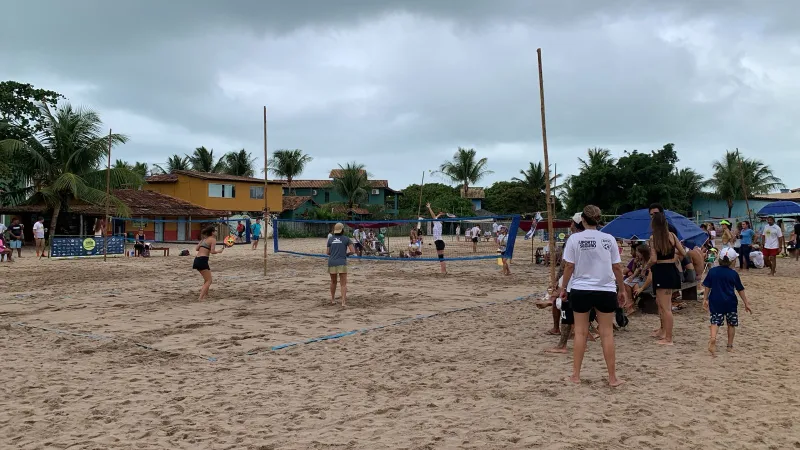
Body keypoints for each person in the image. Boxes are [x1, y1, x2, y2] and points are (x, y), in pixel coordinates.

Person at [560, 205, 626, 387]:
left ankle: (575, 375)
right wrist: (621, 289)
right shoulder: (609, 239)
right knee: (607, 334)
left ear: (582, 219)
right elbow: (617, 267)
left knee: (580, 332)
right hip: (605, 289)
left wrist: (563, 287)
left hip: (581, 288)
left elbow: (569, 266)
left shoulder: (575, 239)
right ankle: (612, 378)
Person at [645, 210, 686, 345]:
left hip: (661, 271)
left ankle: (669, 338)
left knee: (666, 307)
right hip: (671, 270)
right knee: (663, 305)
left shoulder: (653, 238)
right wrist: (671, 256)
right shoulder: (672, 236)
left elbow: (654, 259)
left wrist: (645, 267)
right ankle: (664, 333)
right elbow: (683, 252)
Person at [702, 248, 752, 355]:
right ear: (733, 261)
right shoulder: (733, 274)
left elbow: (707, 286)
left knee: (715, 321)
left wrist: (705, 299)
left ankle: (713, 338)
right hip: (730, 301)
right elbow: (740, 289)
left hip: (715, 300)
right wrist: (746, 303)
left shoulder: (712, 271)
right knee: (731, 324)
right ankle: (729, 346)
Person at [327, 222, 356, 307]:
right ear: (342, 230)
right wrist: (346, 254)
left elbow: (328, 252)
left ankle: (332, 300)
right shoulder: (346, 239)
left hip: (332, 262)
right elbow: (353, 251)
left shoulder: (330, 239)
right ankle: (343, 302)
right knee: (343, 283)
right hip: (341, 262)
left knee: (333, 282)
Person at [193, 225, 224, 300]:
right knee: (209, 280)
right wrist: (219, 251)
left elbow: (197, 249)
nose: (216, 232)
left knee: (206, 279)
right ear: (212, 232)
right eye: (215, 231)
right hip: (203, 260)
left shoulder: (204, 239)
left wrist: (206, 248)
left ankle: (206, 294)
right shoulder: (213, 239)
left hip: (197, 260)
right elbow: (213, 252)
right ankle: (200, 298)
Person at [426, 202, 447, 275]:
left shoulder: (437, 223)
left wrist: (429, 207)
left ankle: (443, 271)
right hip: (439, 241)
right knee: (441, 257)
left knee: (441, 257)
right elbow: (435, 217)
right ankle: (443, 270)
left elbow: (433, 216)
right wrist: (440, 214)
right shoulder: (439, 223)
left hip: (439, 241)